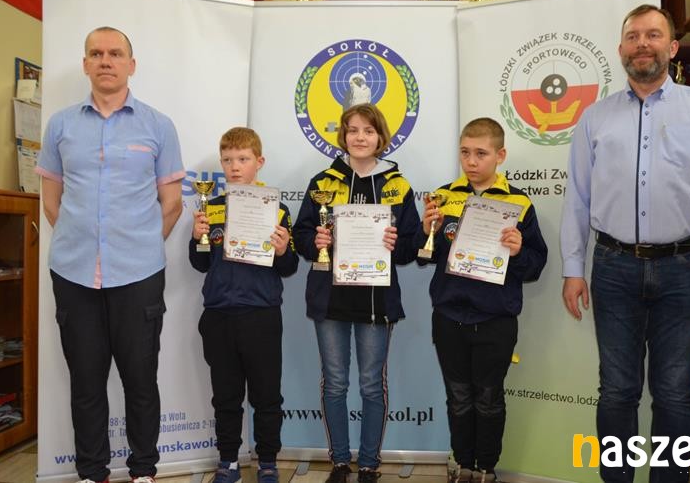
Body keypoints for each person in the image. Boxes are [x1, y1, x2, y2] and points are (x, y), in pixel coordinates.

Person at [560, 4, 690, 483]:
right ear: (621, 49)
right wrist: (573, 269)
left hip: (684, 268)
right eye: (633, 36)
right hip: (613, 267)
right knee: (617, 391)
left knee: (674, 392)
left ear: (673, 47)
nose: (642, 44)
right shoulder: (595, 118)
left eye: (653, 35)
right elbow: (577, 198)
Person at [36, 26, 184, 483]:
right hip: (74, 273)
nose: (106, 61)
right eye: (96, 53)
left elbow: (172, 203)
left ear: (130, 65)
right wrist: (82, 239)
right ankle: (92, 472)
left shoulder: (158, 125)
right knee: (85, 382)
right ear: (85, 63)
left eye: (115, 53)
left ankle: (143, 471)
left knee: (140, 380)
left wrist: (141, 244)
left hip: (139, 274)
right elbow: (51, 200)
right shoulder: (60, 125)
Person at [292, 103, 420, 483]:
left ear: (380, 137)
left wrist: (396, 243)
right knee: (334, 383)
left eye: (368, 130)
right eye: (352, 130)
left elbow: (411, 247)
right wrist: (315, 241)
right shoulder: (323, 182)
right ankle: (339, 462)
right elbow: (301, 236)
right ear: (343, 135)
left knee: (371, 385)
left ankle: (368, 464)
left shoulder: (398, 185)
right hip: (330, 299)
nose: (359, 137)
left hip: (376, 301)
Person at [418, 117, 547, 483]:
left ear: (500, 155)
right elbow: (423, 256)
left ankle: (486, 468)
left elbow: (536, 264)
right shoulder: (443, 197)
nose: (471, 161)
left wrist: (519, 251)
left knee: (489, 398)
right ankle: (463, 463)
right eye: (465, 153)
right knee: (458, 396)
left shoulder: (519, 202)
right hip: (449, 315)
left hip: (495, 319)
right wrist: (426, 233)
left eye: (480, 153)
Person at [189, 127, 298, 483]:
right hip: (219, 314)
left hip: (261, 315)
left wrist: (282, 250)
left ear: (259, 162)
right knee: (226, 396)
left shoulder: (277, 209)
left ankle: (267, 461)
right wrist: (197, 238)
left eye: (243, 159)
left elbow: (289, 267)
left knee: (267, 396)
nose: (234, 167)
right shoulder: (211, 208)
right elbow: (200, 263)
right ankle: (228, 461)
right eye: (227, 160)